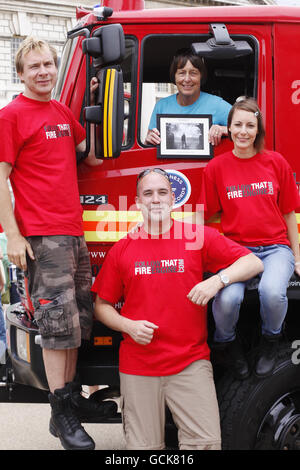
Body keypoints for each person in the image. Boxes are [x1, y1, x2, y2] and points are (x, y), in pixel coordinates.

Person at [91, 167, 263, 450]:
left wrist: (217, 282)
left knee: (205, 445)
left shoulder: (197, 237)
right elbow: (102, 306)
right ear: (137, 202)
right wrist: (128, 326)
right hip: (139, 367)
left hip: (190, 364)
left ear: (173, 198)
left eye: (162, 192)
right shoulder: (122, 249)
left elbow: (253, 262)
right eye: (148, 193)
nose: (155, 199)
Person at [0, 36, 117, 451]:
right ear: (21, 73)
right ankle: (62, 415)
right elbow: (0, 176)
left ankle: (69, 404)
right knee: (55, 329)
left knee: (74, 327)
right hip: (42, 236)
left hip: (74, 234)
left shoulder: (62, 112)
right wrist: (13, 234)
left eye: (49, 64)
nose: (44, 72)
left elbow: (90, 155)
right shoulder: (11, 116)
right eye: (34, 67)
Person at [200, 97, 300, 380]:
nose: (243, 131)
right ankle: (227, 345)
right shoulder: (216, 168)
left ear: (258, 130)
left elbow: (289, 213)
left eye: (250, 125)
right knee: (227, 299)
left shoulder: (276, 162)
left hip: (276, 249)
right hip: (238, 252)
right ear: (228, 129)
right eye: (238, 125)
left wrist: (298, 256)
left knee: (272, 292)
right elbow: (203, 217)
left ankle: (271, 341)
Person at [145, 48, 231, 147]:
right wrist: (149, 140)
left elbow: (249, 127)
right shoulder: (162, 105)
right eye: (181, 73)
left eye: (193, 73)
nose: (187, 79)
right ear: (174, 76)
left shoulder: (217, 105)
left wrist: (224, 129)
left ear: (201, 76)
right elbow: (148, 143)